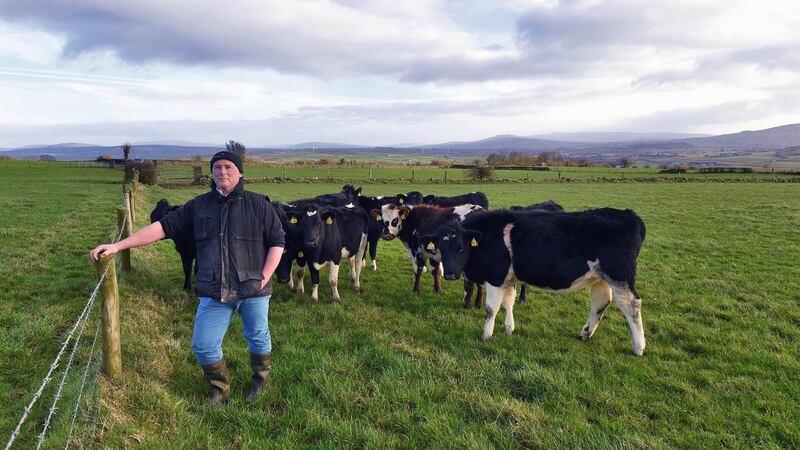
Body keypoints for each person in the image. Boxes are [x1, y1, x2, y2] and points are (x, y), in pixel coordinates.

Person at [91, 151, 285, 404]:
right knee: (203, 344)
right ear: (211, 173)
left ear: (240, 173)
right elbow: (161, 228)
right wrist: (119, 246)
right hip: (214, 289)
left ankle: (260, 382)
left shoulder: (259, 205)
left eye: (228, 167)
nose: (222, 171)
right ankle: (219, 390)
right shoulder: (198, 206)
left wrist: (264, 275)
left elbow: (277, 241)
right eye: (217, 167)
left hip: (254, 289)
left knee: (257, 336)